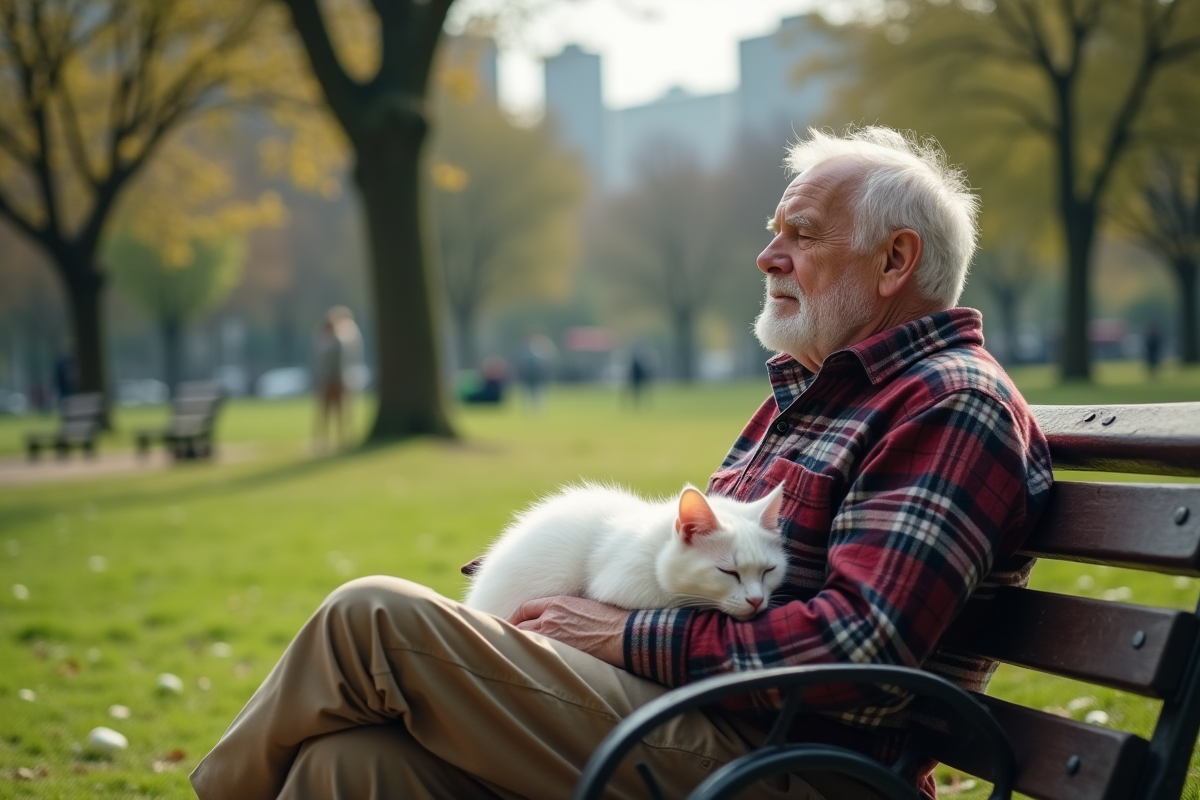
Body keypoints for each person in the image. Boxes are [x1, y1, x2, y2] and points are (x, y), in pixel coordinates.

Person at [191, 127, 1052, 800]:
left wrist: (612, 629)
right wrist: (582, 574)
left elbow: (859, 649)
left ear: (896, 260)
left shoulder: (947, 404)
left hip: (799, 768)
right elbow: (700, 557)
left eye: (801, 234)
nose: (767, 256)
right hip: (714, 729)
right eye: (772, 231)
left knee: (370, 619)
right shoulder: (822, 392)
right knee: (349, 771)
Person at [312, 306, 362, 451]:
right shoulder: (326, 341)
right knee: (327, 411)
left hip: (336, 380)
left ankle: (341, 438)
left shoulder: (339, 340)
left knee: (340, 410)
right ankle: (326, 439)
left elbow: (338, 363)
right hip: (331, 380)